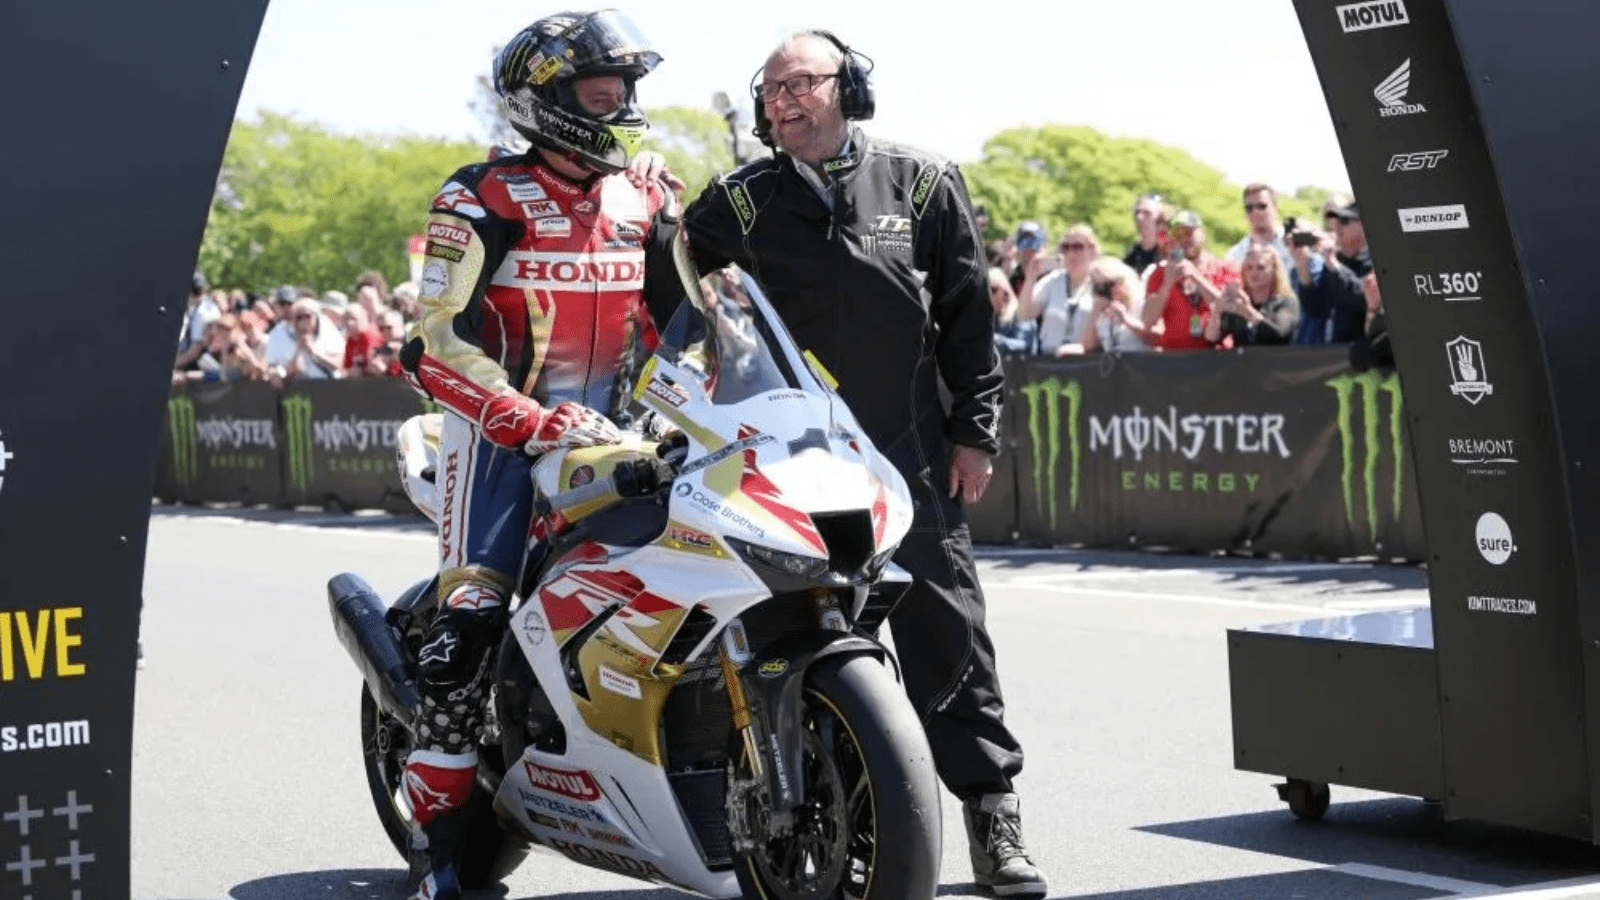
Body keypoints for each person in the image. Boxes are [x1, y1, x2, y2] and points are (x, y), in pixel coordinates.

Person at [648, 30, 1047, 897]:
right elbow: (671, 293)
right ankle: (787, 815)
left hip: (909, 450)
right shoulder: (740, 200)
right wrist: (658, 226)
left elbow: (968, 319)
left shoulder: (926, 179)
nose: (782, 101)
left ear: (850, 87)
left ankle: (993, 814)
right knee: (779, 625)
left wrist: (975, 433)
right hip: (788, 454)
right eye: (771, 90)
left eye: (801, 84)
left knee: (950, 633)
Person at [391, 11, 675, 900]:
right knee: (467, 626)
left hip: (622, 437)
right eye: (601, 91)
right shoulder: (479, 197)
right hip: (504, 441)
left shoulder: (646, 197)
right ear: (547, 101)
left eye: (625, 90)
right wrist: (528, 418)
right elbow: (433, 342)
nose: (620, 105)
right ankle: (438, 845)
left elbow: (689, 324)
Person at [1141, 210, 1241, 351]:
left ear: (1202, 234)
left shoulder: (1226, 268)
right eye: (1177, 236)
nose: (1183, 240)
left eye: (1188, 233)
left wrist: (1196, 276)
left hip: (1217, 354)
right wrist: (1167, 284)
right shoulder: (1160, 273)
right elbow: (1147, 321)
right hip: (1176, 357)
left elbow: (1230, 307)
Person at [1020, 223, 1101, 356]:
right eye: (1066, 247)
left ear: (1091, 251)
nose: (1070, 253)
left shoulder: (1099, 283)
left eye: (1077, 247)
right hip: (1049, 359)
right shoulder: (1052, 280)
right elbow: (1025, 314)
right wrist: (1030, 278)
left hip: (1086, 361)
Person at [1206, 244, 1301, 346]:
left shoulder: (1287, 301)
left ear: (1274, 270)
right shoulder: (1241, 302)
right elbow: (1212, 338)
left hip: (1277, 360)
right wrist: (1217, 312)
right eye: (1249, 268)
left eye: (1261, 267)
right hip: (1244, 361)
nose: (1254, 273)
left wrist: (1248, 312)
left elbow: (1277, 333)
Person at [1078, 256, 1153, 353]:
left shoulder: (1142, 303)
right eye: (1099, 288)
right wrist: (1095, 312)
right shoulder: (1102, 313)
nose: (1106, 292)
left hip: (1141, 363)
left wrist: (1126, 319)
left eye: (1109, 285)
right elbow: (1088, 347)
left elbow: (1155, 338)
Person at [1226, 182, 1293, 275]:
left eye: (1261, 206)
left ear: (1276, 208)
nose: (1255, 212)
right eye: (1249, 208)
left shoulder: (1293, 244)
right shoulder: (1235, 255)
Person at [989, 265, 1037, 354]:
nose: (990, 296)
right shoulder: (990, 316)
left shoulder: (1019, 312)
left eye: (993, 290)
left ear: (1003, 290)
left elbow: (1025, 345)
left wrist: (997, 340)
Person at [1123, 192, 1165, 276]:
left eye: (1147, 213)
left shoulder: (1167, 253)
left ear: (1160, 219)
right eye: (1137, 212)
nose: (1139, 217)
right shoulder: (1132, 254)